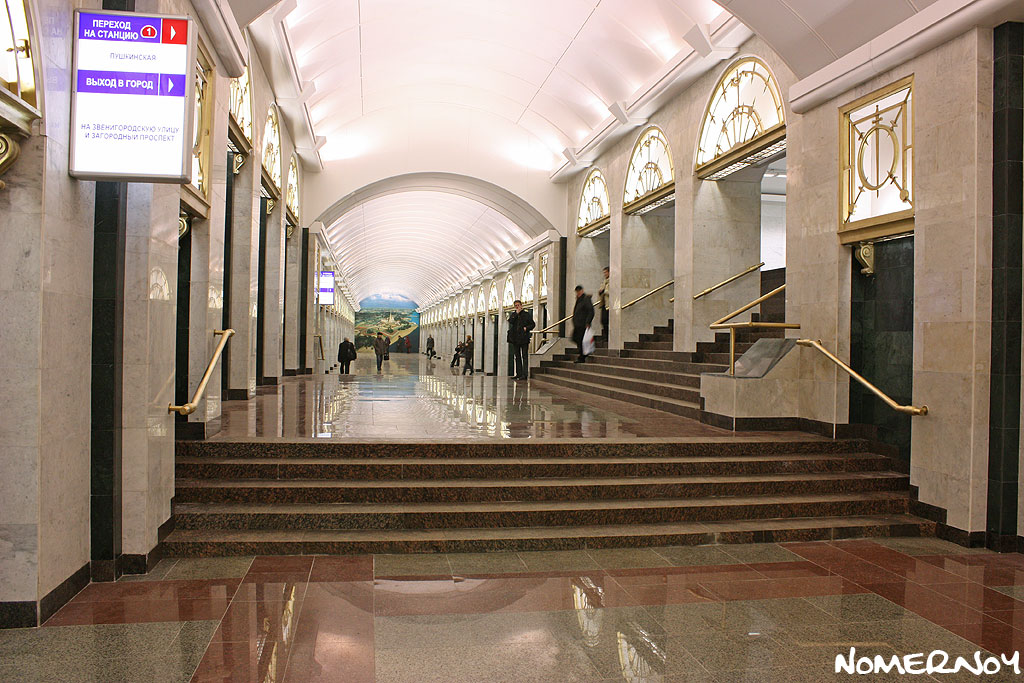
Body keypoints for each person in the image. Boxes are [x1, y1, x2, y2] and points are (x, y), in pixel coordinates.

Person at [507, 299, 535, 381]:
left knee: (524, 356)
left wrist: (526, 328)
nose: (517, 307)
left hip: (524, 338)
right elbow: (511, 321)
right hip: (515, 339)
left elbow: (532, 324)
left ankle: (524, 374)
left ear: (521, 305)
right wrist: (516, 313)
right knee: (517, 356)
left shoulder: (526, 314)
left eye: (518, 305)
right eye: (516, 306)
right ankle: (518, 373)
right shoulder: (513, 315)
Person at [572, 285, 595, 363]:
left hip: (583, 324)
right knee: (576, 338)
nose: (577, 293)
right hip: (578, 324)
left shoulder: (586, 299)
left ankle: (582, 356)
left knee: (580, 340)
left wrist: (588, 322)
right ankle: (583, 353)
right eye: (577, 292)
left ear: (581, 291)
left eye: (579, 291)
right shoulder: (579, 300)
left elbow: (591, 311)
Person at [598, 266, 610, 342]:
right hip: (603, 303)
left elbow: (612, 292)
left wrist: (604, 291)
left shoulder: (612, 281)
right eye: (604, 272)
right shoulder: (604, 281)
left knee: (606, 320)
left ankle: (608, 336)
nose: (604, 274)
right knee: (603, 321)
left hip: (609, 304)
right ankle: (606, 336)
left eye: (606, 272)